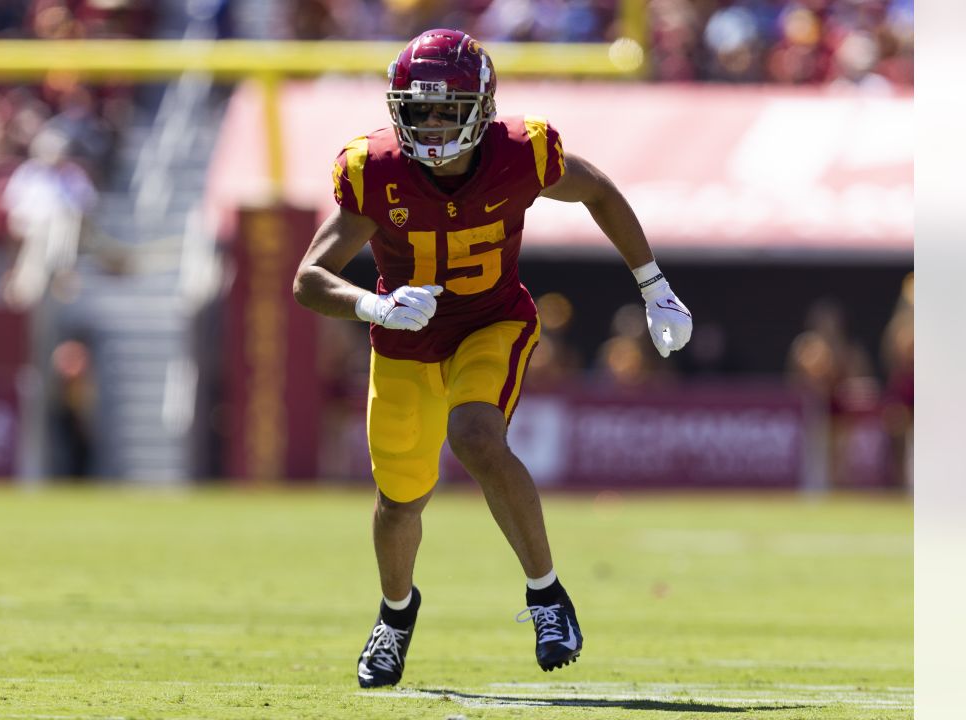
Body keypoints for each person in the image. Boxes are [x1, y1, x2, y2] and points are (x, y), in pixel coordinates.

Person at [292, 28, 694, 688]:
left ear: (481, 108)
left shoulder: (521, 153)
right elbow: (309, 277)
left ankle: (546, 596)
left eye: (449, 108)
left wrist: (655, 285)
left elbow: (599, 190)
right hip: (403, 338)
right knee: (400, 502)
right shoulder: (376, 169)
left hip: (492, 321)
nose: (434, 123)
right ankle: (395, 615)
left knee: (476, 434)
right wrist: (372, 305)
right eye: (420, 110)